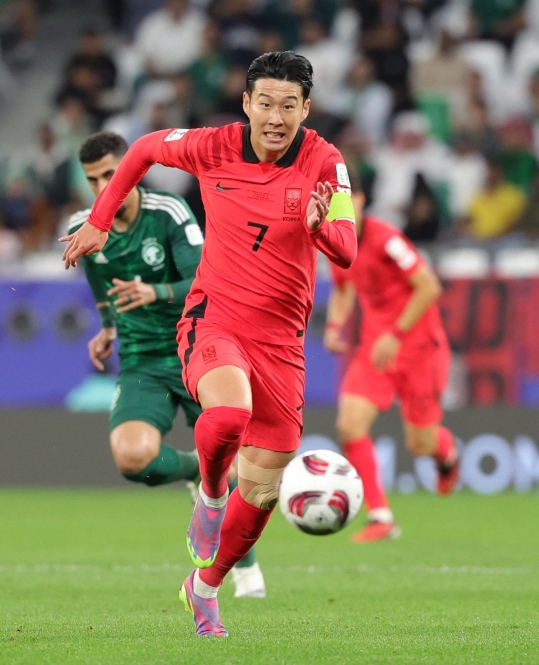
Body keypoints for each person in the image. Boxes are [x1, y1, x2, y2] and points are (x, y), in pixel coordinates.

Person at [61, 51, 358, 637]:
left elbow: (347, 249)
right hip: (214, 316)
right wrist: (99, 216)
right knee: (227, 414)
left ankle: (205, 585)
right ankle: (211, 496)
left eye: (288, 105)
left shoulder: (326, 162)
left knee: (267, 487)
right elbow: (144, 147)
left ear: (306, 108)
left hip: (283, 340)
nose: (276, 117)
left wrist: (321, 226)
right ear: (247, 104)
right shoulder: (213, 145)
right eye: (265, 103)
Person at [70, 130, 266, 599]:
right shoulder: (86, 224)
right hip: (141, 360)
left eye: (112, 175)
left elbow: (205, 276)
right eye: (93, 179)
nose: (103, 189)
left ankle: (243, 569)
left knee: (235, 468)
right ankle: (195, 471)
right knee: (132, 457)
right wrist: (108, 327)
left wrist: (154, 292)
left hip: (197, 349)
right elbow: (100, 280)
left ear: (133, 172)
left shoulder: (169, 213)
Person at [324, 175, 458, 543]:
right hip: (375, 350)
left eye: (346, 200)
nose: (340, 209)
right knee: (349, 426)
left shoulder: (388, 240)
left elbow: (429, 286)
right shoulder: (337, 242)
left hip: (417, 348)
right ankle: (381, 516)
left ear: (363, 199)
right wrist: (335, 324)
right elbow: (342, 289)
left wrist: (396, 334)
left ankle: (446, 453)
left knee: (420, 444)